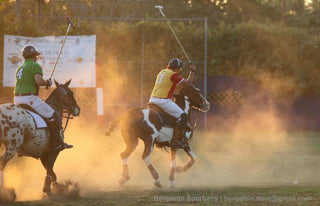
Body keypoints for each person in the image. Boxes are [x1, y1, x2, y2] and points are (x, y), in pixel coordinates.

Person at [14, 45, 72, 152]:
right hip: (29, 98)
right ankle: (57, 142)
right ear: (34, 56)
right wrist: (47, 83)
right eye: (36, 55)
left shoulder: (20, 67)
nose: (36, 58)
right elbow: (38, 81)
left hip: (17, 99)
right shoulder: (35, 66)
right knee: (54, 114)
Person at [149, 58, 196, 148]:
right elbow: (188, 83)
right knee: (183, 116)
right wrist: (192, 71)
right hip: (163, 101)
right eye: (179, 69)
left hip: (152, 99)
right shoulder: (173, 75)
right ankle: (176, 140)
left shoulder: (162, 72)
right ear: (177, 68)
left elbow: (166, 86)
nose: (179, 71)